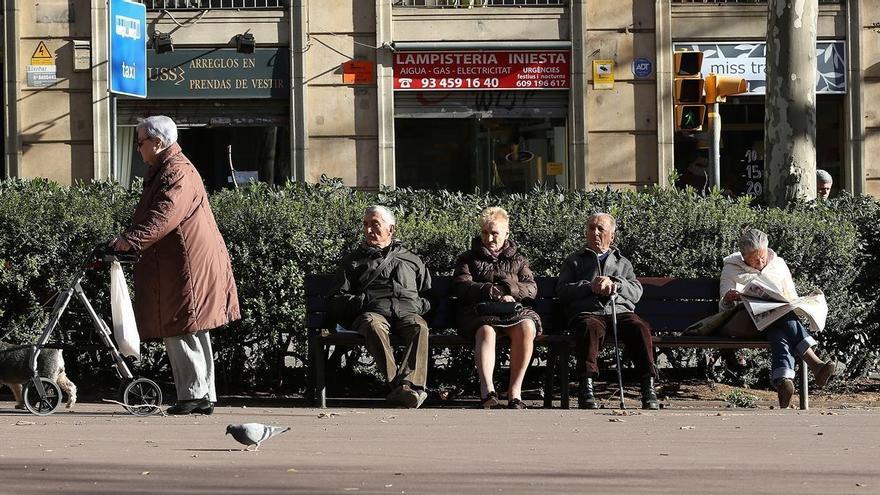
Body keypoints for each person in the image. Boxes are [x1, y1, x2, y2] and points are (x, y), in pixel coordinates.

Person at [111, 115, 240, 415]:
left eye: (140, 143)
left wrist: (131, 239)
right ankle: (202, 394)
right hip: (185, 260)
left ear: (157, 143)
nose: (138, 150)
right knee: (190, 324)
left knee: (180, 322)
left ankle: (194, 395)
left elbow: (164, 214)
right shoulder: (168, 168)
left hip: (187, 263)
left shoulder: (175, 171)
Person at [719, 228, 837, 408]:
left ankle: (783, 381)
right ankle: (815, 363)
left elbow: (791, 297)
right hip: (744, 322)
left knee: (779, 329)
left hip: (775, 320)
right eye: (753, 259)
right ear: (743, 257)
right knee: (781, 317)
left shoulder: (779, 264)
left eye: (762, 257)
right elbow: (723, 307)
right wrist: (729, 298)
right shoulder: (731, 268)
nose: (759, 262)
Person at [330, 205, 432, 408]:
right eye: (365, 225)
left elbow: (428, 293)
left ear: (391, 229)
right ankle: (401, 388)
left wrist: (419, 305)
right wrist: (364, 302)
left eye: (375, 224)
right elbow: (336, 299)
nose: (368, 230)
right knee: (372, 324)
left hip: (406, 312)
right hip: (373, 313)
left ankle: (406, 385)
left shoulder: (411, 259)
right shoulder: (353, 261)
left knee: (419, 326)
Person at [556, 213, 659, 410]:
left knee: (639, 328)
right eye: (591, 228)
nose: (594, 232)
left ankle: (648, 387)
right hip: (590, 311)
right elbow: (562, 291)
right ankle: (586, 387)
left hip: (619, 311)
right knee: (589, 327)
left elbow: (636, 292)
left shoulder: (623, 262)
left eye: (600, 229)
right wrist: (589, 286)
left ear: (611, 236)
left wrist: (617, 285)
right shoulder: (574, 261)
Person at [452, 207, 540, 410]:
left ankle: (514, 393)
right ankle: (488, 391)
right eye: (485, 233)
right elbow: (461, 285)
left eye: (494, 233)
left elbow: (531, 287)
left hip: (512, 311)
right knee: (486, 331)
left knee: (527, 327)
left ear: (506, 234)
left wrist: (510, 290)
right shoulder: (468, 258)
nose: (489, 238)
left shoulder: (519, 259)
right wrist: (489, 291)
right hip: (481, 312)